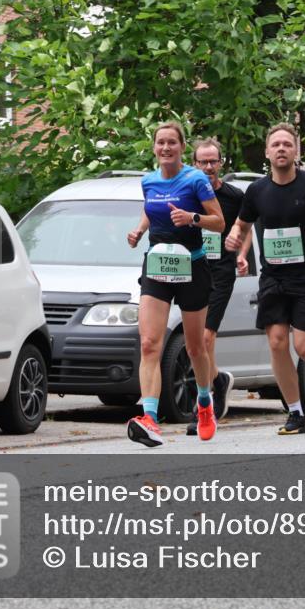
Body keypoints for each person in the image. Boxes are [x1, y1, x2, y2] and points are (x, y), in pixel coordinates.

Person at [224, 123, 305, 435]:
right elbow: (242, 224)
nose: (281, 149)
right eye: (275, 144)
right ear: (267, 152)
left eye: (287, 144)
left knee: (304, 346)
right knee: (277, 343)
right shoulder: (257, 191)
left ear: (296, 151)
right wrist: (235, 242)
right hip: (273, 279)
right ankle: (295, 413)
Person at [126, 122, 226, 447]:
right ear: (154, 148)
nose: (166, 148)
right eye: (160, 143)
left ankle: (205, 404)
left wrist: (192, 218)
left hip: (192, 266)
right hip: (157, 264)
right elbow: (151, 207)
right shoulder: (148, 180)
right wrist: (140, 230)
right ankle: (150, 419)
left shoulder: (195, 179)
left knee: (196, 347)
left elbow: (219, 221)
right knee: (148, 344)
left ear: (182, 147)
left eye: (172, 142)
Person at [185, 137, 252, 436]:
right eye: (203, 162)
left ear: (221, 163)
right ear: (195, 164)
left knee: (206, 338)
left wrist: (241, 253)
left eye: (214, 161)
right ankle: (217, 381)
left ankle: (203, 408)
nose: (209, 167)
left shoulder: (235, 196)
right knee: (197, 342)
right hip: (194, 270)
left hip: (222, 271)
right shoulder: (188, 192)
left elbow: (247, 226)